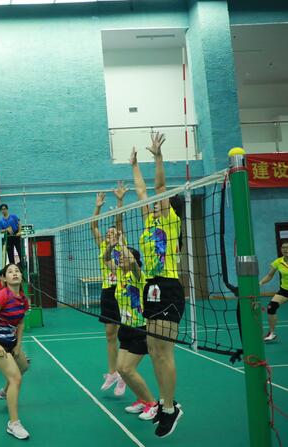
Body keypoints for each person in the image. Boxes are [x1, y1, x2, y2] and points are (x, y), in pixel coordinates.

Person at [130, 132, 184, 437]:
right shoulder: (148, 221)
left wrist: (158, 157)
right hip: (150, 288)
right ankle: (165, 403)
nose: (152, 204)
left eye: (159, 203)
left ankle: (170, 408)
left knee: (164, 351)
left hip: (168, 287)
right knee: (152, 348)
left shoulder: (170, 220)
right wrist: (134, 165)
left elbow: (159, 187)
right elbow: (142, 191)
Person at [104, 238, 158, 421]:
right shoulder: (120, 274)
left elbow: (133, 263)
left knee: (128, 369)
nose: (120, 258)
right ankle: (142, 400)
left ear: (133, 259)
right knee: (121, 369)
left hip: (140, 329)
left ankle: (153, 404)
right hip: (125, 328)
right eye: (120, 257)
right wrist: (112, 246)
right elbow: (106, 259)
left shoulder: (138, 276)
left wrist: (122, 243)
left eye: (124, 257)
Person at [0, 264, 30, 440]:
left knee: (23, 367)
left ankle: (4, 392)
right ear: (4, 278)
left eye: (17, 271)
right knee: (15, 378)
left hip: (11, 340)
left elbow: (21, 323)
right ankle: (13, 423)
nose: (14, 273)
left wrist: (18, 345)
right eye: (10, 272)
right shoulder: (2, 295)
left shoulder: (23, 299)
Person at [92, 183, 128, 396]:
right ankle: (113, 372)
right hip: (107, 292)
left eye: (113, 232)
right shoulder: (102, 247)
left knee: (124, 334)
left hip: (123, 291)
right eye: (108, 232)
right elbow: (93, 226)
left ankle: (123, 374)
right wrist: (97, 206)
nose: (109, 233)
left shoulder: (122, 244)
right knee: (109, 334)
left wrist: (120, 200)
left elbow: (120, 221)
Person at [259, 240, 288, 341]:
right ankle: (271, 333)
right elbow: (269, 275)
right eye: (283, 247)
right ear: (281, 249)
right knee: (271, 308)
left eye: (287, 247)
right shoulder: (278, 262)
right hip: (285, 291)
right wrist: (260, 283)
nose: (286, 249)